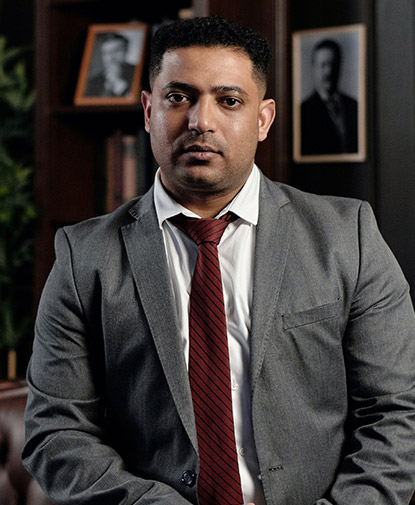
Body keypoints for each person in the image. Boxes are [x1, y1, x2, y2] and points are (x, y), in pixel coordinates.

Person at [23, 15, 415, 505]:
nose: (200, 121)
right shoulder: (83, 258)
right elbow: (56, 432)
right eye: (178, 97)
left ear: (263, 119)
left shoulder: (347, 237)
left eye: (228, 100)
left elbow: (397, 411)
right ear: (148, 110)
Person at [301, 38, 358, 155]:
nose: (329, 71)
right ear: (314, 68)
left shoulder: (354, 106)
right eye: (323, 65)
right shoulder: (303, 111)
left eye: (333, 64)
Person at [84, 32, 136, 97]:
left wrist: (118, 83)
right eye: (106, 53)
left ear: (126, 50)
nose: (110, 58)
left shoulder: (138, 73)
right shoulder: (93, 81)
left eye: (116, 51)